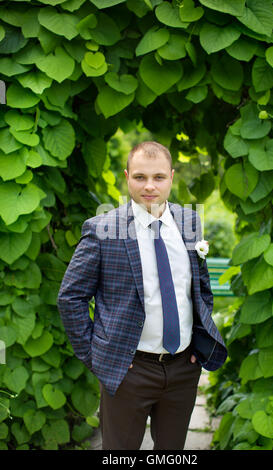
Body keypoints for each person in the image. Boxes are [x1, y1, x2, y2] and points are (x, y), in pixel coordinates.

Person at [57, 141, 227, 450]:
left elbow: (199, 287)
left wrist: (198, 341)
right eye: (140, 177)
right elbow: (71, 298)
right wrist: (97, 357)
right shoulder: (102, 230)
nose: (149, 186)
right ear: (127, 177)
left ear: (171, 178)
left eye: (158, 177)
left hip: (183, 368)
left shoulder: (189, 223)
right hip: (129, 369)